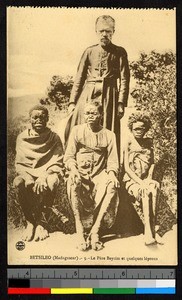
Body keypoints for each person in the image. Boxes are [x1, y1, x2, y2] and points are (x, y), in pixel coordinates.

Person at [67, 15, 130, 156]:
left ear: (113, 31)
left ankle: (109, 168)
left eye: (108, 31)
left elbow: (125, 79)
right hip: (88, 93)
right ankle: (75, 164)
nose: (104, 34)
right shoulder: (89, 51)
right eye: (101, 31)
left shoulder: (120, 52)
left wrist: (121, 103)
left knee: (108, 126)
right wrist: (72, 102)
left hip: (110, 95)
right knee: (80, 124)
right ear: (96, 31)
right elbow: (79, 78)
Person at [64, 101, 120, 251]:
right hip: (81, 174)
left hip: (99, 174)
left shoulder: (109, 135)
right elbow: (68, 156)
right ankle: (80, 230)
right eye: (87, 113)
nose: (90, 116)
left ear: (101, 115)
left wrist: (112, 174)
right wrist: (73, 170)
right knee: (72, 182)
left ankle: (95, 230)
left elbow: (113, 161)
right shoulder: (76, 131)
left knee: (112, 186)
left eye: (93, 113)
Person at [13, 105, 64, 242]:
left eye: (42, 117)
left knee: (53, 180)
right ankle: (30, 221)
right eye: (35, 117)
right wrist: (28, 177)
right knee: (18, 182)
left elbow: (57, 161)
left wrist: (44, 176)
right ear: (30, 119)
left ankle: (42, 222)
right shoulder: (22, 138)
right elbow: (19, 164)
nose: (39, 120)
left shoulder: (54, 137)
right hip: (27, 173)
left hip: (47, 173)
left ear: (47, 119)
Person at [123, 112, 160, 245]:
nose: (139, 131)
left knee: (154, 189)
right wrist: (140, 183)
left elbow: (152, 163)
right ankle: (147, 232)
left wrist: (149, 178)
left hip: (145, 179)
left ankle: (154, 232)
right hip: (131, 180)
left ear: (146, 128)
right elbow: (126, 168)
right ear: (131, 128)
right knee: (145, 192)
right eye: (136, 128)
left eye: (141, 128)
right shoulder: (127, 142)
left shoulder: (149, 142)